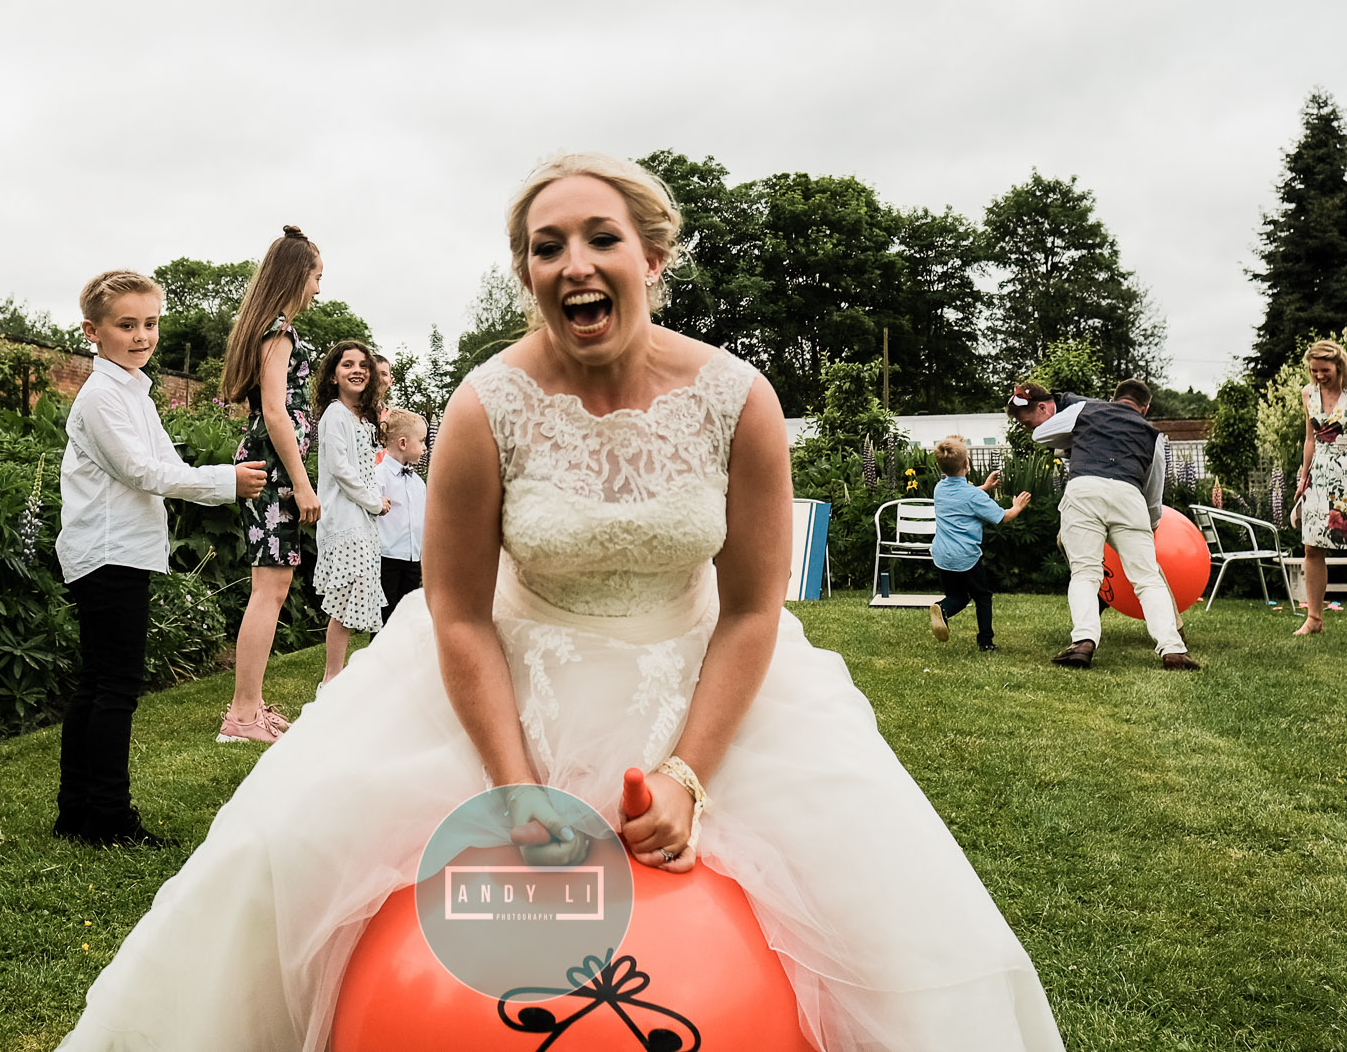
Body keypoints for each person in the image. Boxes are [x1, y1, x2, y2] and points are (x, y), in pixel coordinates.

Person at [58, 152, 1063, 1051]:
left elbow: (754, 608)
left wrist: (687, 777)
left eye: (600, 237)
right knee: (282, 854)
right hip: (506, 680)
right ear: (526, 271)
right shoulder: (487, 404)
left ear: (653, 256)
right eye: (546, 246)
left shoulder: (736, 395)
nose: (573, 262)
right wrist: (511, 787)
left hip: (698, 683)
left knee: (882, 916)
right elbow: (454, 612)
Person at [56, 270, 266, 847]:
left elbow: (167, 462)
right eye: (127, 325)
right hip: (107, 552)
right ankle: (109, 820)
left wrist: (225, 472)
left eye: (150, 323)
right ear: (92, 332)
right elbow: (143, 472)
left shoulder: (131, 390)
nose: (142, 335)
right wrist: (226, 480)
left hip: (115, 552)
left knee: (97, 681)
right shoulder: (102, 397)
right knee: (114, 687)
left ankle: (76, 812)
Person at [216, 226, 324, 746]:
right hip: (276, 473)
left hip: (269, 468)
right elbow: (278, 413)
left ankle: (252, 705)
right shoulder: (279, 332)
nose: (319, 289)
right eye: (316, 276)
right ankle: (241, 717)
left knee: (271, 589)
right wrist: (302, 485)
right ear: (296, 274)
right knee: (270, 591)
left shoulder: (269, 328)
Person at [1009, 377, 1199, 671]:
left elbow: (1041, 435)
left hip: (1084, 488)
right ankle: (1173, 650)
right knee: (1148, 579)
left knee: (1085, 573)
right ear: (1145, 408)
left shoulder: (1083, 409)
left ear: (1113, 399)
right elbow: (1154, 486)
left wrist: (1075, 440)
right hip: (1129, 496)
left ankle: (1083, 642)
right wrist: (1150, 524)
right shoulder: (1153, 435)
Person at [312, 339, 391, 684]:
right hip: (344, 521)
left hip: (363, 521)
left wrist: (376, 501)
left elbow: (367, 469)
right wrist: (374, 501)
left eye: (363, 365)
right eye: (347, 365)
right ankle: (332, 679)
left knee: (352, 600)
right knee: (345, 601)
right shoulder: (335, 415)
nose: (357, 370)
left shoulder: (363, 420)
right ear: (333, 376)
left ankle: (335, 678)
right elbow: (341, 470)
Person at [925, 434, 1029, 651]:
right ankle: (986, 642)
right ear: (966, 463)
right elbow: (1003, 516)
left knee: (958, 596)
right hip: (966, 556)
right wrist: (1017, 506)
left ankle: (942, 609)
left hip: (942, 554)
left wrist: (983, 487)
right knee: (982, 596)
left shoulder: (940, 488)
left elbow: (963, 498)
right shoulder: (973, 496)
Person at [1289, 339, 1347, 637]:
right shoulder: (1309, 393)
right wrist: (1303, 477)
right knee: (1312, 546)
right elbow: (1310, 439)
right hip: (1319, 471)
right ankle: (1314, 618)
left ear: (1339, 365)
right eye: (1314, 370)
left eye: (1325, 370)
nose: (1319, 376)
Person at [373, 407, 429, 620]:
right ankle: (380, 653)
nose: (425, 448)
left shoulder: (418, 483)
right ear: (403, 443)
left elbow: (423, 521)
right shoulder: (378, 476)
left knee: (409, 617)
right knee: (386, 617)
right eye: (422, 441)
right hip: (387, 559)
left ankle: (405, 653)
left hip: (412, 560)